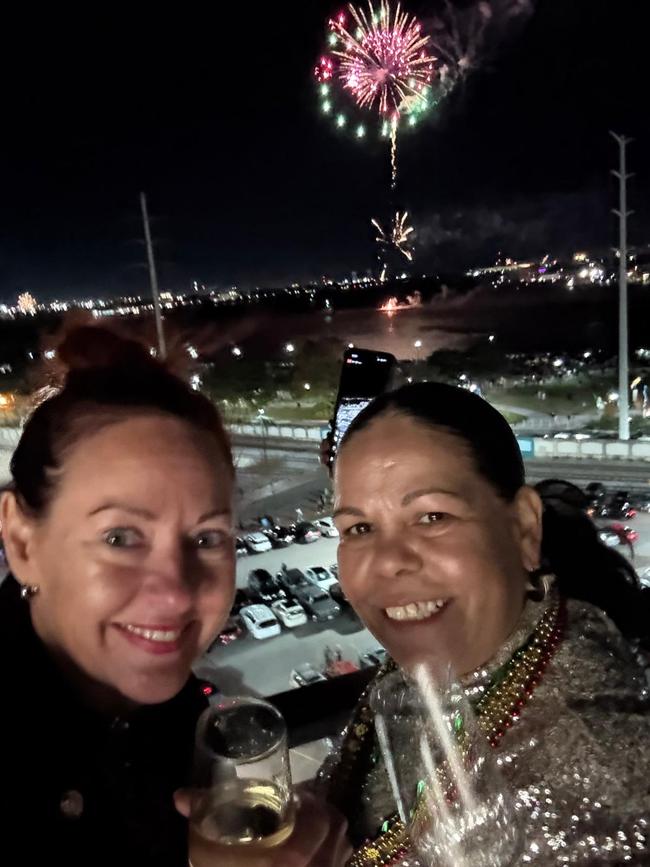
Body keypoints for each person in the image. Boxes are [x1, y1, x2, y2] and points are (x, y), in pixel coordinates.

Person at [0, 325, 348, 867]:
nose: (176, 594)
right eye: (120, 538)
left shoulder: (178, 716)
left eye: (208, 538)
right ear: (23, 541)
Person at [321, 381, 650, 866]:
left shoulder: (600, 775)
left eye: (432, 516)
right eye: (359, 528)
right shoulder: (437, 672)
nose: (389, 561)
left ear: (523, 527)